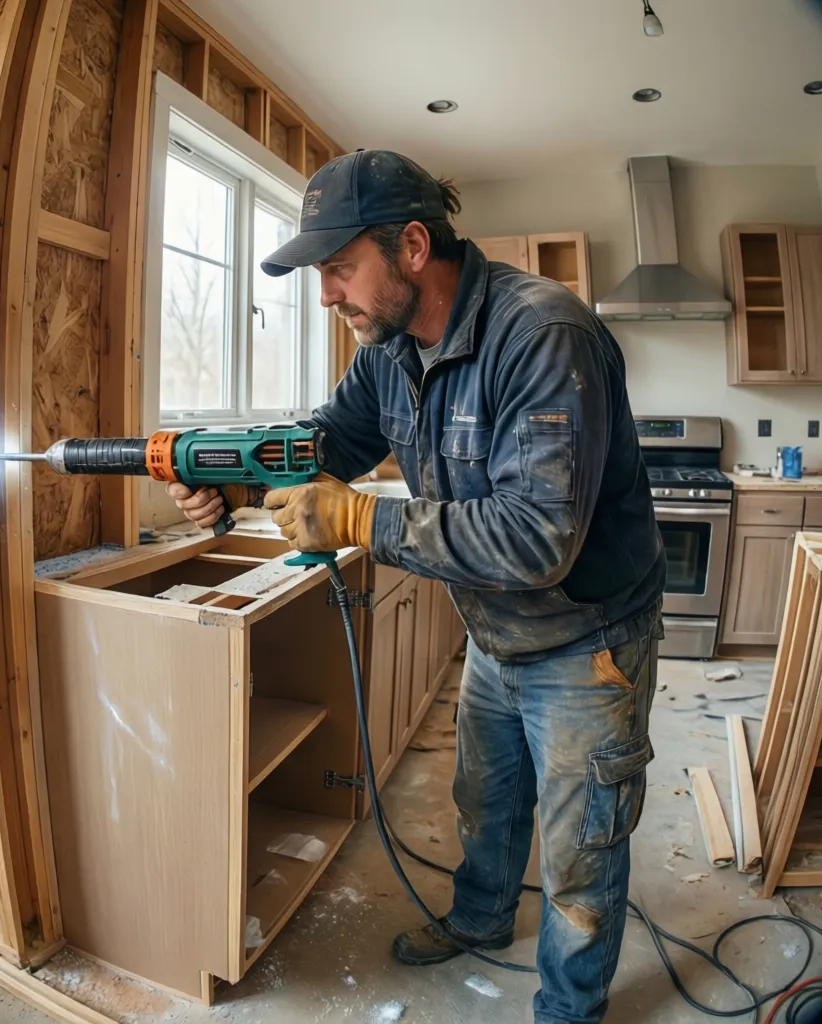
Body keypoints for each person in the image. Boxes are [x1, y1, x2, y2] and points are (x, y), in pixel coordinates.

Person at [168, 149, 666, 1024]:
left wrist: (361, 523)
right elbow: (324, 444)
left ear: (409, 247)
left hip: (588, 643)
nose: (327, 295)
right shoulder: (389, 350)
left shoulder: (543, 335)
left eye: (338, 269)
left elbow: (537, 538)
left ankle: (569, 1009)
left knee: (582, 850)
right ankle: (480, 920)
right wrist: (227, 472)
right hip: (496, 631)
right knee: (485, 800)